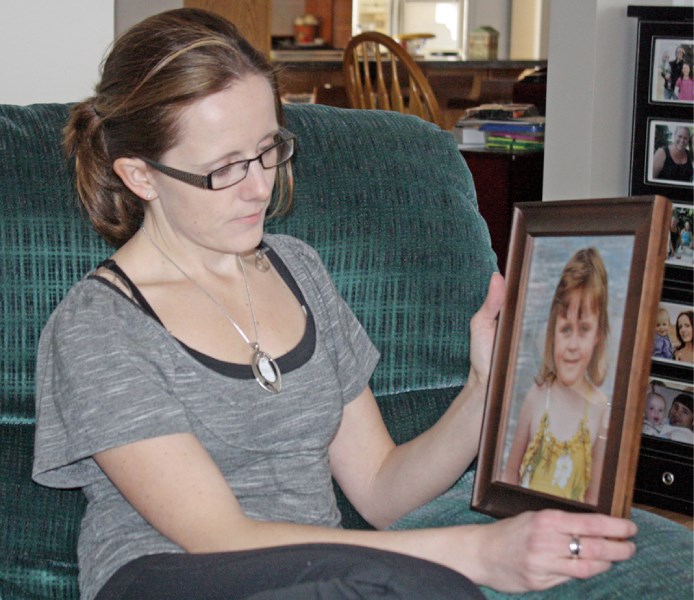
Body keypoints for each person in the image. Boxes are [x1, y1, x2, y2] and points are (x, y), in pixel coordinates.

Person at [31, 9, 637, 600]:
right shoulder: (97, 326)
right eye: (225, 169)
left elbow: (379, 489)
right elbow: (220, 537)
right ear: (140, 176)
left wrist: (485, 387)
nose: (260, 186)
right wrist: (481, 552)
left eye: (268, 149)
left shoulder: (298, 270)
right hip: (173, 575)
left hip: (323, 576)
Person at [504, 248, 611, 505]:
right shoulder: (537, 397)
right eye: (565, 329)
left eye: (583, 329)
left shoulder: (600, 411)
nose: (572, 344)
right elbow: (509, 475)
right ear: (553, 329)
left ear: (597, 335)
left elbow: (595, 497)